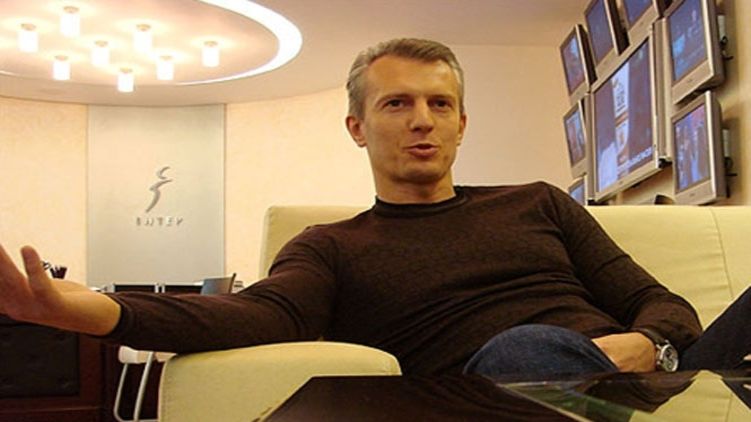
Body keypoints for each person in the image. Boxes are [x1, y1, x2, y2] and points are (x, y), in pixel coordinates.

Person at [0, 38, 748, 379]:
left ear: (461, 123)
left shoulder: (539, 202)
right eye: (397, 103)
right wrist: (84, 309)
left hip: (659, 380)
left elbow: (660, 302)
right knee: (524, 350)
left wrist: (644, 345)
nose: (421, 120)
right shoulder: (330, 245)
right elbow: (254, 317)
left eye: (439, 104)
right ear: (358, 127)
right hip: (505, 392)